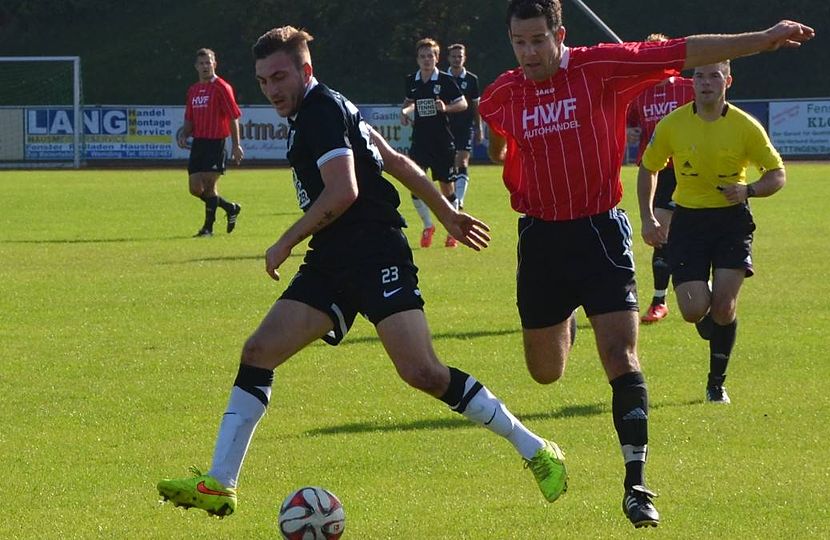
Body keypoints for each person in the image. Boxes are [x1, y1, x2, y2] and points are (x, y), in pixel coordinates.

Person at [157, 25, 567, 518]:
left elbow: (344, 191)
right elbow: (394, 160)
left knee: (422, 371)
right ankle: (220, 483)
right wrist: (445, 212)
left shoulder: (321, 111)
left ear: (305, 70)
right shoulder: (328, 106)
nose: (271, 89)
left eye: (280, 77)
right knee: (259, 351)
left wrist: (286, 241)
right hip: (333, 257)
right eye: (263, 81)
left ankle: (535, 448)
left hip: (375, 251)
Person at [479, 0, 813, 529]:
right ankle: (568, 318)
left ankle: (636, 485)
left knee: (621, 355)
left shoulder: (602, 67)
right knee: (545, 373)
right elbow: (496, 140)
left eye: (538, 40)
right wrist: (507, 154)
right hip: (540, 238)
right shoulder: (501, 93)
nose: (529, 52)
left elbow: (685, 51)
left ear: (560, 35)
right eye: (519, 43)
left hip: (600, 232)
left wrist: (763, 38)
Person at [638, 60, 786, 405]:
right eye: (700, 76)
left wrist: (748, 190)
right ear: (692, 82)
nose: (706, 82)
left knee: (724, 306)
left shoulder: (745, 126)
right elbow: (648, 168)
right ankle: (708, 310)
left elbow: (777, 174)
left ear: (727, 81)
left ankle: (716, 385)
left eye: (714, 76)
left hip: (732, 222)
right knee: (693, 310)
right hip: (688, 223)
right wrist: (647, 217)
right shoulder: (673, 124)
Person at [625, 34, 695, 324]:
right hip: (657, 172)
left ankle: (701, 289)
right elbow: (629, 123)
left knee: (697, 231)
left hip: (691, 170)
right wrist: (630, 132)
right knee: (660, 234)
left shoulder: (689, 88)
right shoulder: (639, 93)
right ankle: (659, 300)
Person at [399, 38, 467, 248]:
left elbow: (463, 103)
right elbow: (411, 102)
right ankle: (428, 226)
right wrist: (405, 112)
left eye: (430, 56)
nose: (426, 60)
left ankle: (454, 229)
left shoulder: (445, 80)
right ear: (417, 59)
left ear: (437, 58)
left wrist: (446, 108)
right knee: (414, 183)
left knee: (446, 187)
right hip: (420, 141)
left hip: (442, 142)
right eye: (423, 56)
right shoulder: (412, 80)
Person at [178, 48, 244, 237]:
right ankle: (230, 207)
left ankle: (208, 228)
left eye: (208, 62)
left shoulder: (221, 87)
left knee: (209, 185)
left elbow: (233, 116)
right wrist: (184, 134)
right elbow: (189, 118)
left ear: (215, 64)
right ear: (196, 67)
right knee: (195, 188)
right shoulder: (193, 90)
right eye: (201, 63)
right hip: (199, 143)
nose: (205, 66)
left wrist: (236, 145)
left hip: (216, 142)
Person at [445, 43, 485, 212]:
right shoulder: (441, 78)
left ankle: (459, 200)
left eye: (459, 56)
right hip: (445, 127)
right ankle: (452, 198)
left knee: (462, 160)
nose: (457, 59)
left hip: (465, 126)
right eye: (454, 56)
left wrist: (479, 128)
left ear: (464, 58)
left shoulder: (471, 79)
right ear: (448, 58)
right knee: (449, 164)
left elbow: (476, 106)